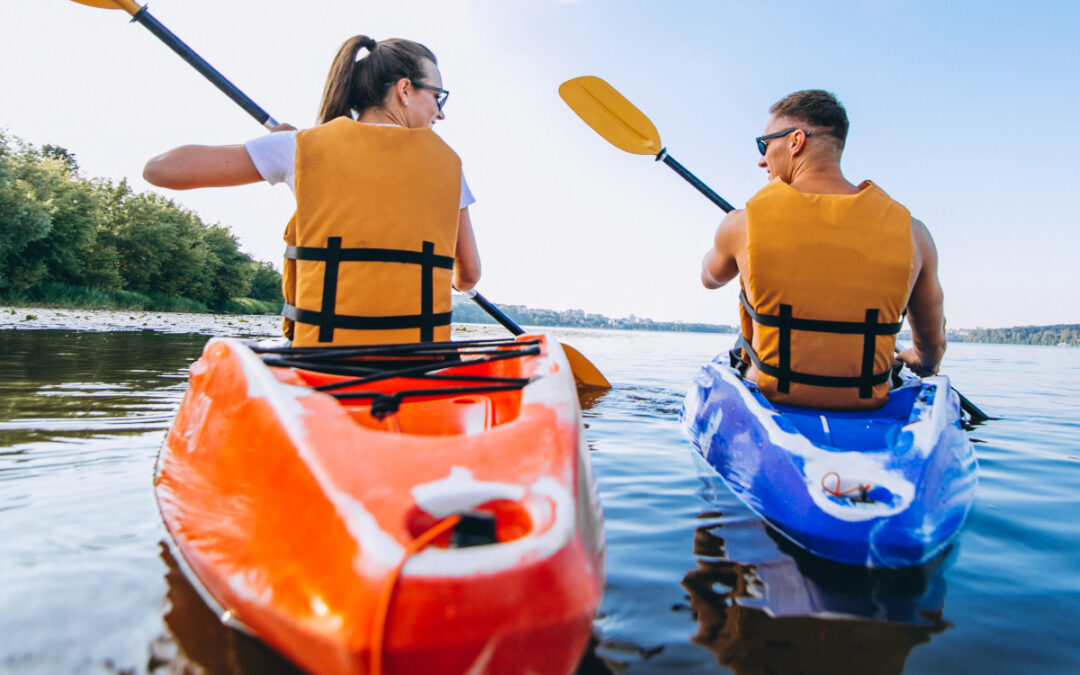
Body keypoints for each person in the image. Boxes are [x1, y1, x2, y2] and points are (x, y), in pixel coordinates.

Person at [143, 35, 480, 347]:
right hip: (418, 364)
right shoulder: (450, 166)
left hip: (319, 360)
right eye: (437, 96)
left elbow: (160, 169)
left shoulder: (299, 148)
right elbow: (468, 277)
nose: (441, 112)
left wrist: (278, 146)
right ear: (405, 90)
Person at [700, 90, 946, 410]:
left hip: (770, 395)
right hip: (869, 403)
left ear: (795, 141)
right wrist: (921, 361)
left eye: (764, 145)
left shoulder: (741, 224)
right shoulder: (915, 233)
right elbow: (932, 344)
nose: (761, 159)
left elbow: (709, 277)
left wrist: (735, 230)